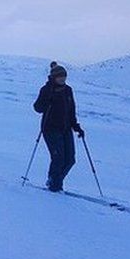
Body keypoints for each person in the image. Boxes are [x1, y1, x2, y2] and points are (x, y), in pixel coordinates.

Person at [33, 61, 85, 192]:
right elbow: (37, 108)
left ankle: (55, 180)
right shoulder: (46, 89)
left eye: (64, 76)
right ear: (54, 77)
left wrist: (76, 127)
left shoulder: (68, 90)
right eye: (60, 76)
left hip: (66, 129)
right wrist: (47, 100)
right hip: (50, 129)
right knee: (58, 158)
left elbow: (71, 110)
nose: (62, 79)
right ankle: (55, 185)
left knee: (70, 159)